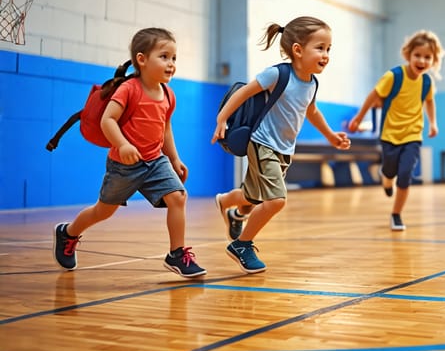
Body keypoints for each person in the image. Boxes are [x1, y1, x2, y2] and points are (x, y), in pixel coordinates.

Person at [53, 28, 206, 278]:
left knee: (178, 196)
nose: (171, 64)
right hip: (123, 166)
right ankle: (68, 232)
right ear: (142, 59)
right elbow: (108, 120)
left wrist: (175, 158)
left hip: (155, 161)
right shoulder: (129, 89)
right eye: (164, 56)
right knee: (103, 211)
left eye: (174, 58)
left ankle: (177, 254)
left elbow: (165, 129)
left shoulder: (169, 94)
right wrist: (123, 144)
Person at [212, 16, 351, 273]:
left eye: (328, 49)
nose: (326, 54)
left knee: (253, 197)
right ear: (298, 50)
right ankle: (242, 245)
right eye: (320, 48)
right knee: (276, 200)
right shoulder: (278, 74)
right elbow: (243, 92)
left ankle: (227, 204)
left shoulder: (312, 83)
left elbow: (312, 112)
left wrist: (331, 136)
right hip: (262, 142)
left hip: (284, 148)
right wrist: (222, 119)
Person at [347, 30, 445, 231]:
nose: (421, 60)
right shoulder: (394, 76)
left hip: (413, 135)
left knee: (405, 174)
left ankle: (396, 214)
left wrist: (433, 123)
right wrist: (358, 118)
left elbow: (429, 101)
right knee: (390, 170)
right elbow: (372, 96)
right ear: (408, 54)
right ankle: (386, 177)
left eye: (427, 57)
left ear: (434, 60)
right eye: (417, 55)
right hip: (390, 134)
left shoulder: (427, 82)